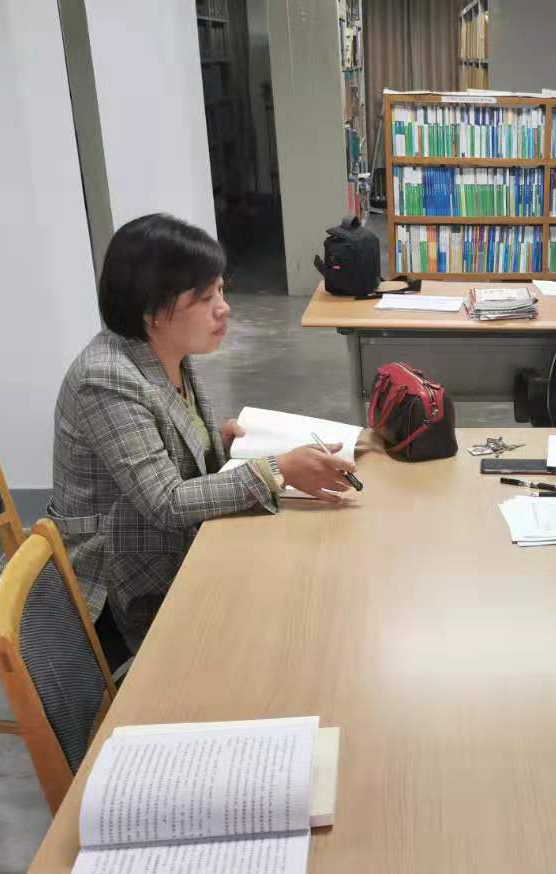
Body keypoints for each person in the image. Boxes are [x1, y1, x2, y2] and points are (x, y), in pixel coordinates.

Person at [49, 213, 356, 659]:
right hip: (116, 580)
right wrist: (279, 470)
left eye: (222, 291)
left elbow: (166, 451)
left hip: (166, 545)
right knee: (286, 621)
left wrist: (218, 443)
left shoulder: (166, 351)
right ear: (152, 308)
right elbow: (166, 502)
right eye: (205, 297)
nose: (224, 307)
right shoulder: (107, 379)